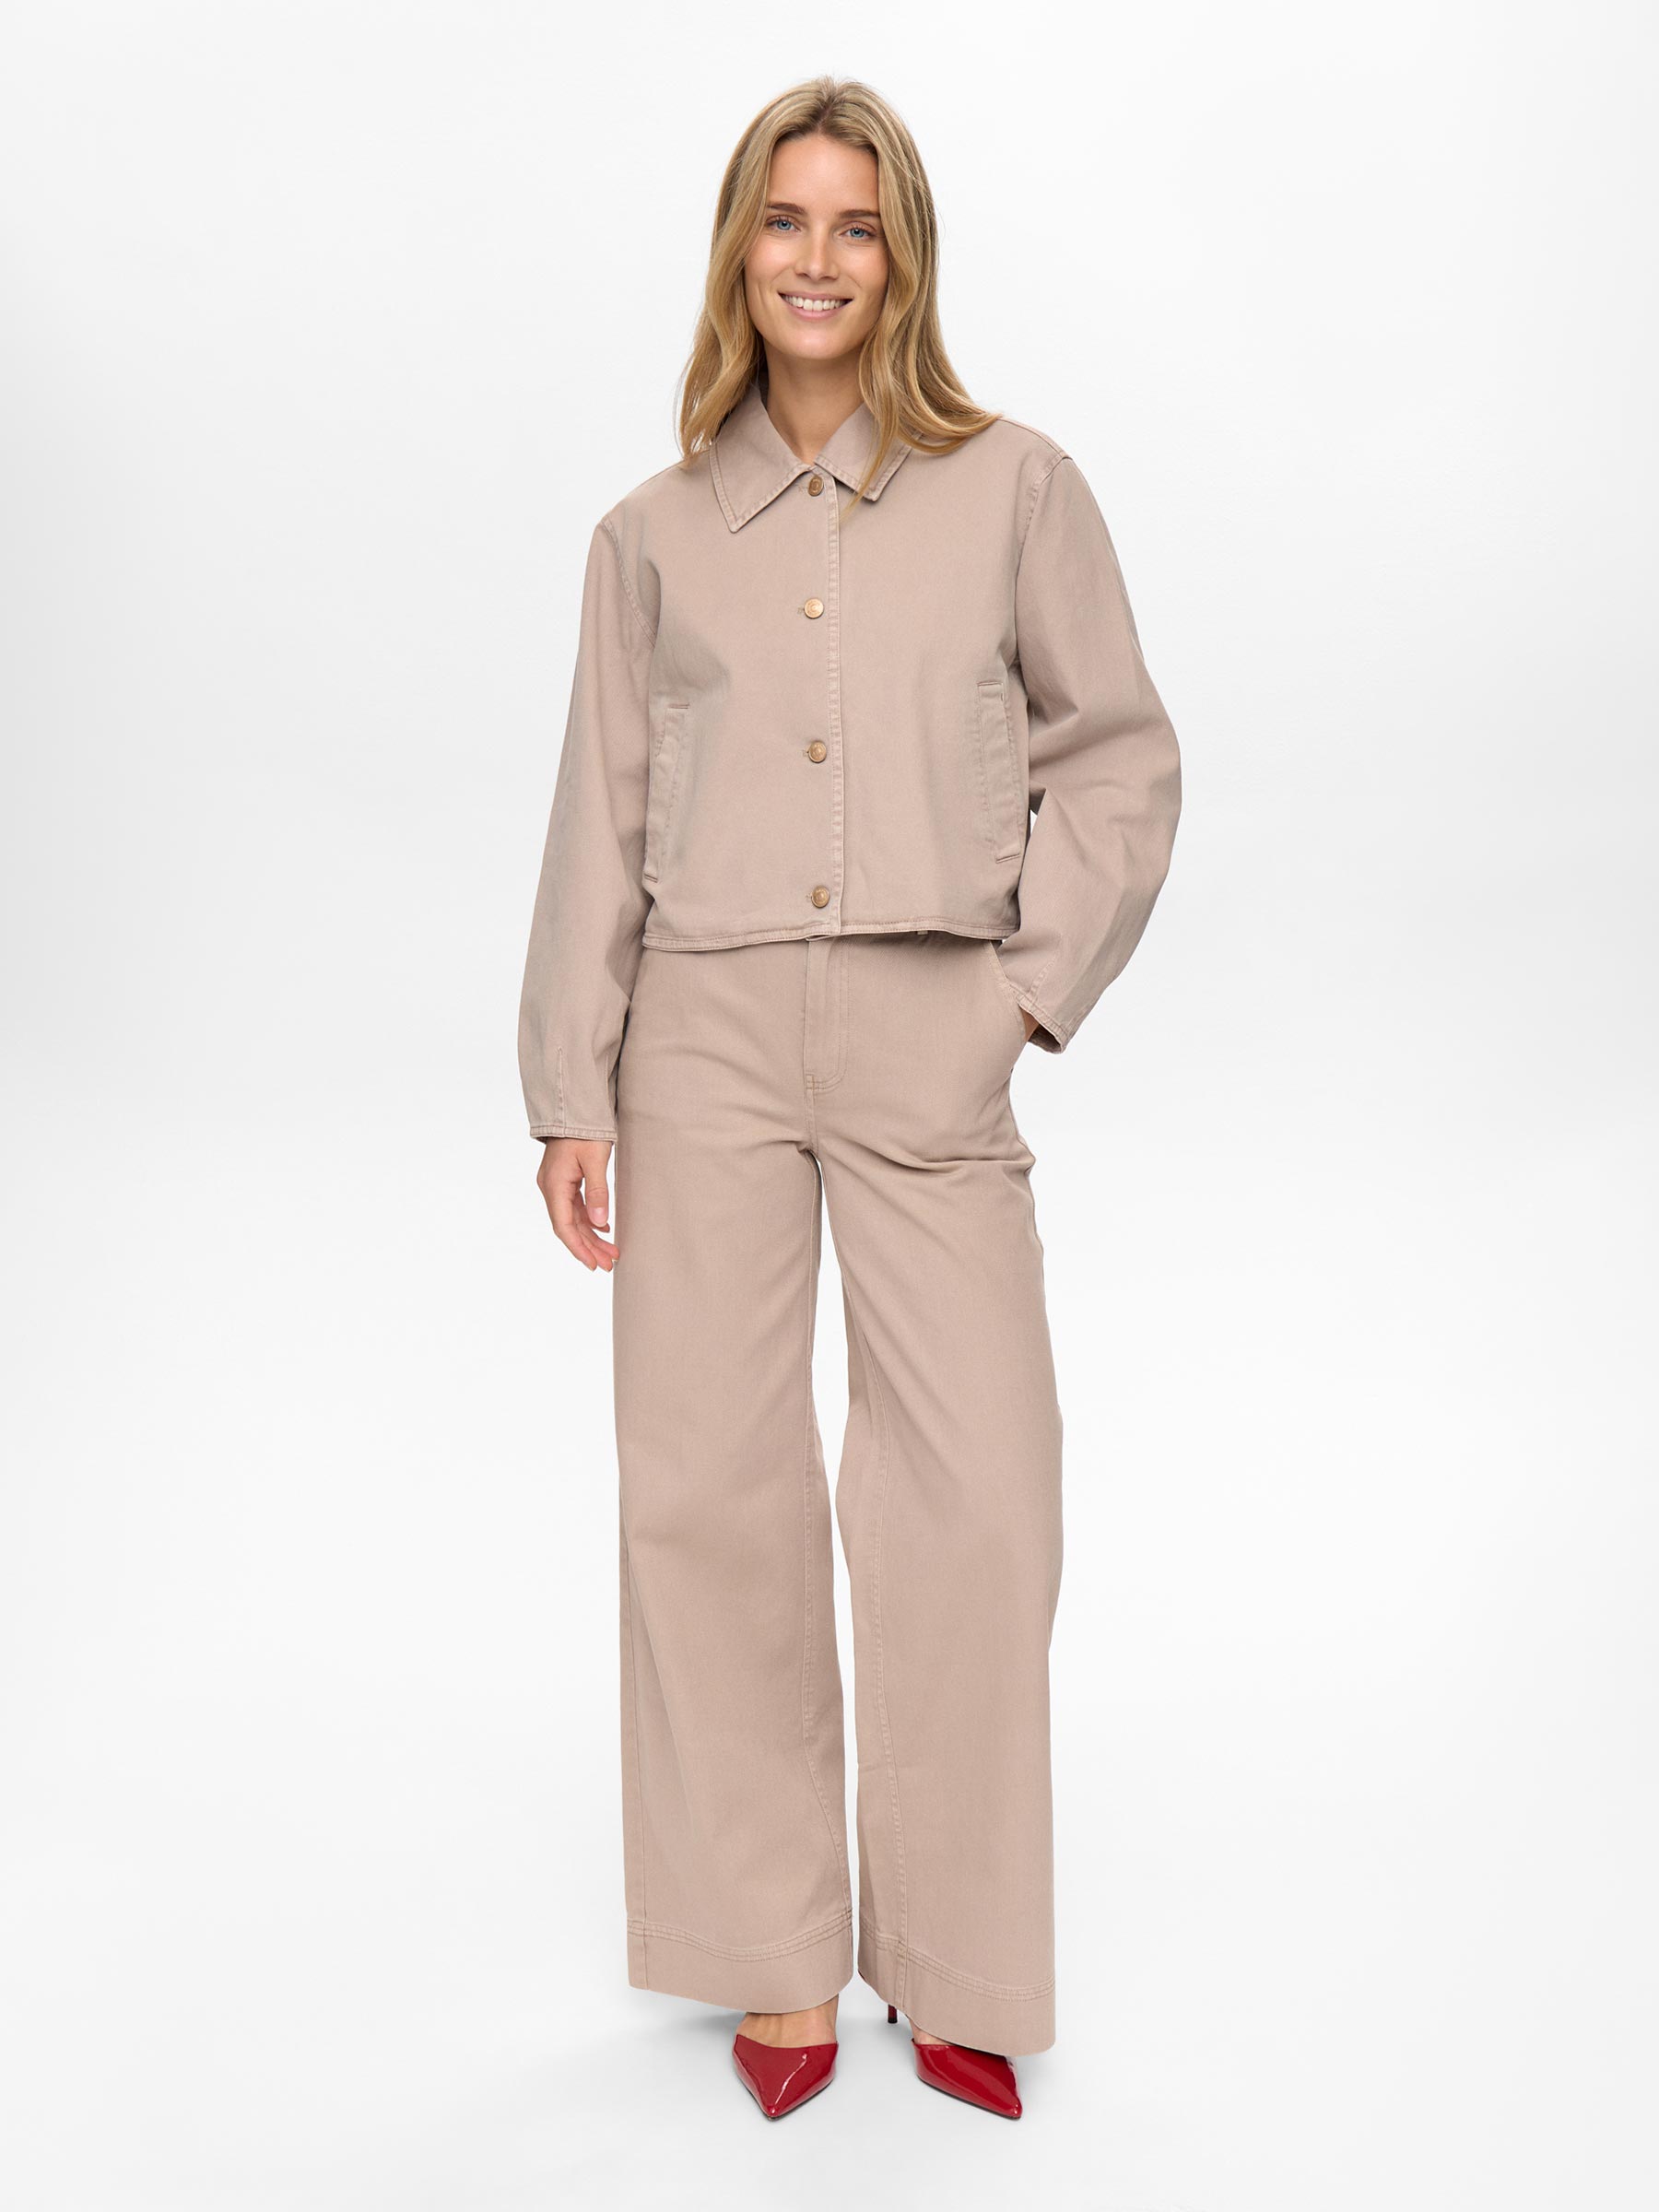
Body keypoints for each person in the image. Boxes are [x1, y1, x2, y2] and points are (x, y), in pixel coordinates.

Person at [518, 75, 1182, 2122]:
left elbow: (1120, 758)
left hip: (928, 1026)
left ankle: (959, 1952)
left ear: (905, 258)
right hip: (700, 1037)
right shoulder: (649, 538)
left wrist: (1020, 998)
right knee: (705, 1490)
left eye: (858, 224)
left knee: (981, 1493)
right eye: (786, 220)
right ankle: (770, 1952)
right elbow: (598, 810)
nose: (818, 259)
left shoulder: (1017, 491)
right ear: (740, 249)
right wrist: (569, 1085)